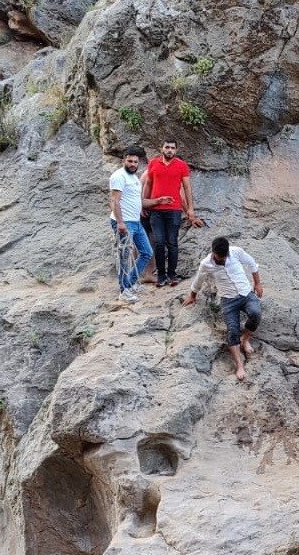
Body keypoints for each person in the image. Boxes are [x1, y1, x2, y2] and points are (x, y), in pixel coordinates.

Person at [183, 237, 263, 381]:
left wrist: (257, 284)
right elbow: (198, 281)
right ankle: (239, 365)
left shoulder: (236, 252)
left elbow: (252, 264)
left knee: (256, 313)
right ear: (213, 252)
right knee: (233, 329)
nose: (221, 259)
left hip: (246, 293)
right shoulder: (206, 264)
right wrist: (192, 296)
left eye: (223, 257)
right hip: (228, 299)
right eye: (218, 257)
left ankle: (245, 340)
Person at [109, 147, 167, 302]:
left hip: (136, 222)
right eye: (130, 161)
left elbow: (140, 201)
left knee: (146, 252)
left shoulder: (135, 178)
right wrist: (120, 222)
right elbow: (115, 200)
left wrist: (158, 201)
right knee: (124, 257)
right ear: (124, 161)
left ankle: (130, 282)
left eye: (135, 161)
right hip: (124, 223)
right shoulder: (119, 176)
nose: (133, 164)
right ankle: (124, 291)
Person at [143, 139, 202, 287]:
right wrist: (144, 203)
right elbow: (148, 184)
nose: (169, 150)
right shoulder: (154, 164)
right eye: (167, 147)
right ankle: (161, 276)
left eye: (172, 148)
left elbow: (187, 188)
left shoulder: (181, 166)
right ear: (161, 148)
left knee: (172, 242)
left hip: (174, 210)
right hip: (156, 210)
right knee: (159, 242)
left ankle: (172, 275)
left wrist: (190, 209)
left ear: (176, 150)